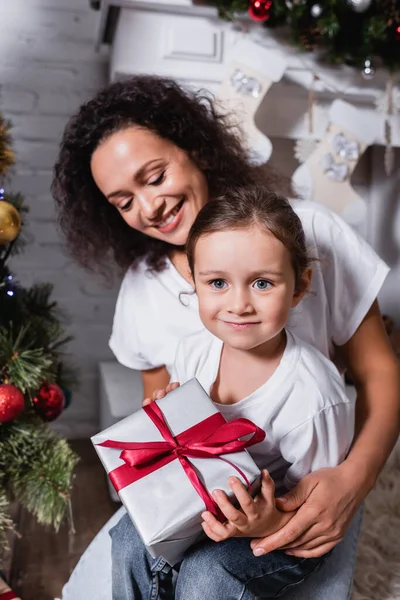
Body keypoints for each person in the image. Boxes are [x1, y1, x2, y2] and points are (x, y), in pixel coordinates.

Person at [52, 75, 399, 600]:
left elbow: (379, 370)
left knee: (210, 576)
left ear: (195, 149)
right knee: (116, 562)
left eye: (155, 175)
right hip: (213, 495)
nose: (148, 207)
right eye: (123, 201)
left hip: (306, 483)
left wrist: (354, 481)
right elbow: (161, 405)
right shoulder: (144, 290)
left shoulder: (307, 233)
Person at [113, 186, 356, 600]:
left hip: (281, 519)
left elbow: (317, 510)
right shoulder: (191, 352)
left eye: (262, 283)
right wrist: (168, 419)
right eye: (219, 283)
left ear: (299, 286)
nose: (239, 304)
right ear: (195, 282)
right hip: (212, 497)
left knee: (208, 574)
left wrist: (265, 524)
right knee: (127, 537)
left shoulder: (313, 397)